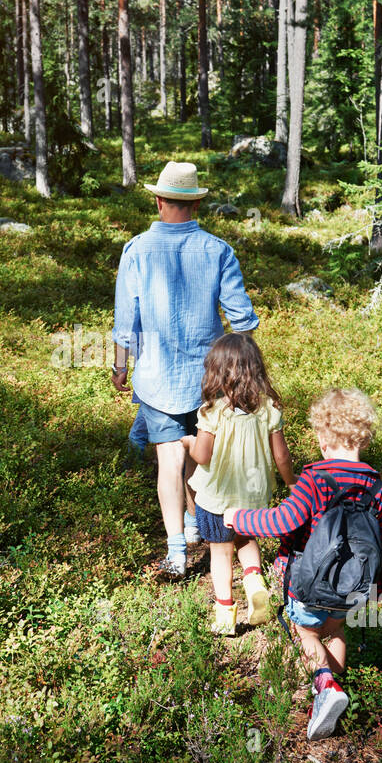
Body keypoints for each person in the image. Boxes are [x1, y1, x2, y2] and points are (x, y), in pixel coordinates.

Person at [223, 388, 382, 741]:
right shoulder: (377, 487)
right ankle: (332, 688)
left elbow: (283, 522)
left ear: (322, 437)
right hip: (354, 587)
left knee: (306, 633)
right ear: (362, 437)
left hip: (307, 584)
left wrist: (239, 518)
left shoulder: (315, 479)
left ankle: (324, 688)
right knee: (334, 632)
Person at [112, 160, 259, 576]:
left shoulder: (136, 249)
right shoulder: (217, 251)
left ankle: (177, 551)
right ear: (195, 204)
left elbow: (127, 319)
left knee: (169, 462)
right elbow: (242, 319)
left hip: (156, 377)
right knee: (200, 453)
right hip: (209, 378)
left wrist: (121, 367)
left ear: (158, 201)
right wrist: (244, 364)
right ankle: (199, 526)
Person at [182, 333, 295, 635]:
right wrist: (292, 483)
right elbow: (281, 455)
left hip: (216, 498)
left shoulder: (212, 412)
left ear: (218, 372)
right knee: (246, 540)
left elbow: (202, 456)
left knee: (220, 553)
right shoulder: (269, 409)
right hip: (254, 496)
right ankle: (255, 581)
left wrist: (189, 443)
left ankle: (224, 616)